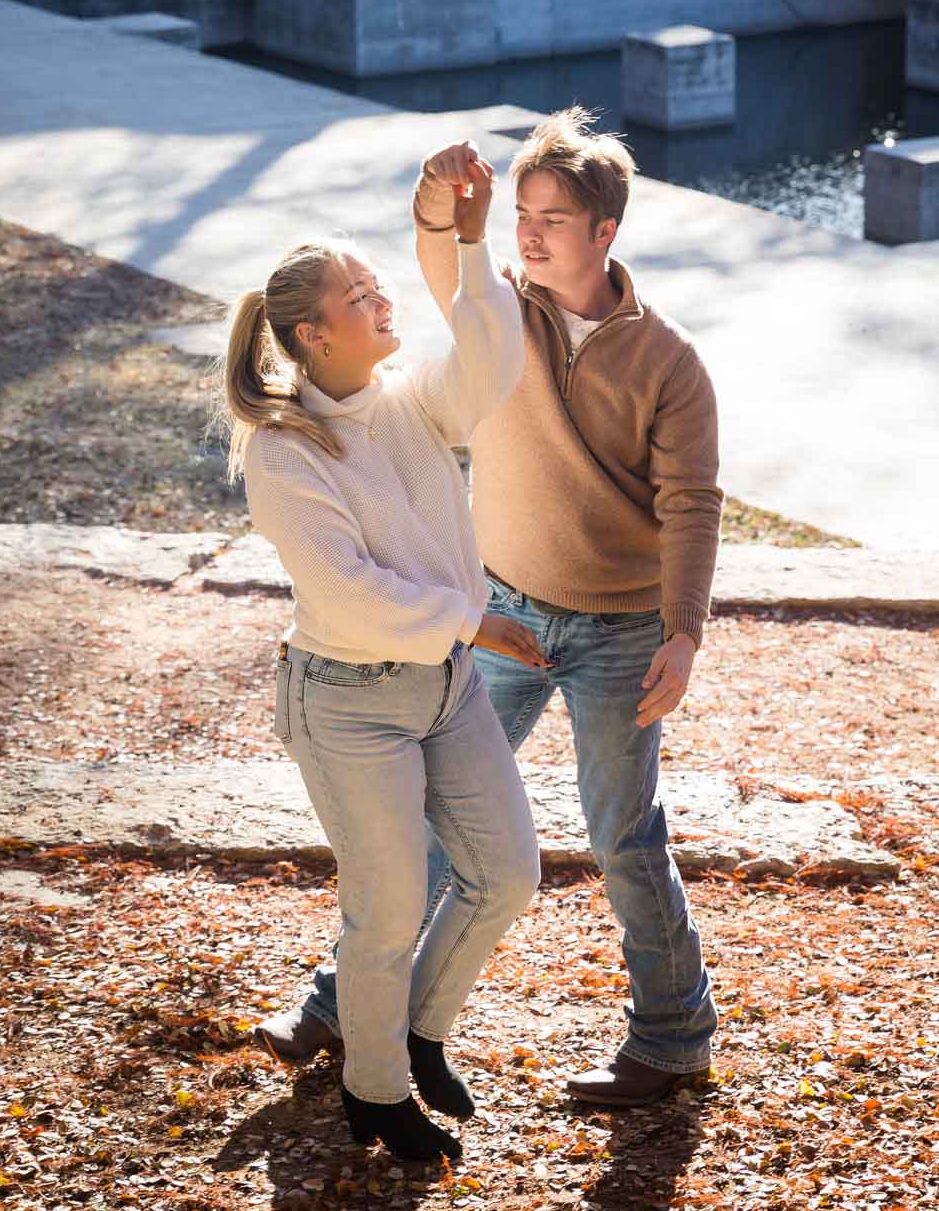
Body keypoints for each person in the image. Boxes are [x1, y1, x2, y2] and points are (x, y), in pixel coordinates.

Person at [256, 108, 723, 1109]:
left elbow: (692, 500)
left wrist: (681, 631)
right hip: (496, 610)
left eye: (555, 216)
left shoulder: (668, 359)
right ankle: (342, 1004)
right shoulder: (497, 316)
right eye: (523, 212)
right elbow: (441, 246)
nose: (531, 232)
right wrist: (439, 196)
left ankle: (674, 1037)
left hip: (619, 627)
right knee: (427, 822)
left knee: (623, 834)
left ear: (605, 230)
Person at [226, 154, 551, 1164]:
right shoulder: (281, 451)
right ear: (314, 334)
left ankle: (415, 1028)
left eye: (379, 285)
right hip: (349, 702)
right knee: (388, 903)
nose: (381, 299)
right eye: (360, 295)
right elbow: (349, 594)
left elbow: (493, 357)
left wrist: (464, 237)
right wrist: (472, 619)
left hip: (444, 689)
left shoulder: (409, 398)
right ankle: (373, 1091)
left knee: (507, 873)